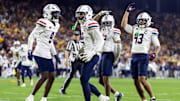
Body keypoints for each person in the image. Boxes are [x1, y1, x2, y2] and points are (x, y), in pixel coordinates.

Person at [121, 3, 160, 101]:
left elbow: (157, 45)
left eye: (144, 20)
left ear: (148, 21)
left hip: (143, 56)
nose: (142, 22)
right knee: (135, 81)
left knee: (142, 79)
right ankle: (144, 99)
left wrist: (155, 53)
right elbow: (123, 25)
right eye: (140, 20)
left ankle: (152, 97)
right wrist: (127, 12)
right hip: (134, 56)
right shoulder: (135, 28)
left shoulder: (152, 30)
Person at [26, 4, 61, 101]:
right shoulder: (43, 22)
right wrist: (29, 50)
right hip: (39, 52)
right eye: (54, 13)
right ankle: (31, 96)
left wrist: (55, 55)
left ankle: (44, 98)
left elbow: (50, 42)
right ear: (48, 13)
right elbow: (31, 36)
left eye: (57, 14)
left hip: (47, 53)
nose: (57, 16)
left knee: (52, 77)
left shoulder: (56, 25)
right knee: (45, 76)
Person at [76, 5, 109, 101]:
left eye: (81, 14)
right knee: (83, 80)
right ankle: (101, 97)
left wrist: (93, 53)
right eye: (78, 14)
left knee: (84, 80)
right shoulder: (85, 24)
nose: (79, 16)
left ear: (87, 14)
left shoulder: (90, 24)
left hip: (92, 55)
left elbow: (100, 41)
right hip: (86, 54)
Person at [94, 12, 123, 101]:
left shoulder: (115, 31)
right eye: (105, 23)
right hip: (102, 55)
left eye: (108, 23)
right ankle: (117, 94)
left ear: (112, 23)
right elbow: (93, 22)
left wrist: (116, 59)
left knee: (106, 79)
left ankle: (107, 98)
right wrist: (99, 14)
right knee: (101, 81)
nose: (106, 25)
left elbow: (118, 47)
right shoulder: (101, 30)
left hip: (109, 54)